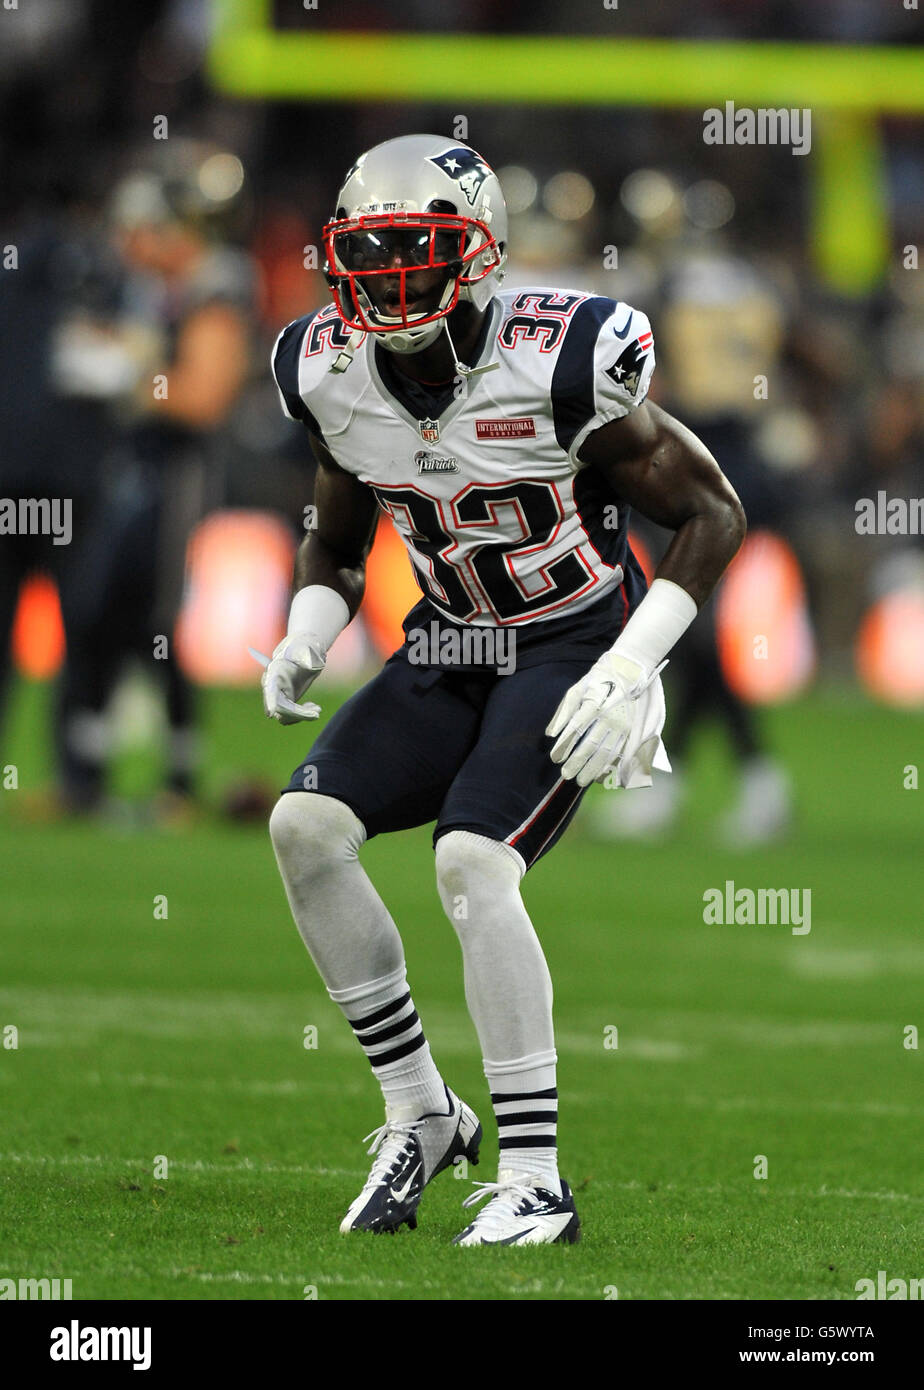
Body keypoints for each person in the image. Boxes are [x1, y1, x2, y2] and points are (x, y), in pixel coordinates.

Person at [262, 135, 745, 1246]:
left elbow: (713, 514)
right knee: (303, 826)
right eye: (367, 251)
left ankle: (536, 1176)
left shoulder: (563, 354)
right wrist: (305, 626)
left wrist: (634, 662)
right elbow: (336, 541)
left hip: (572, 641)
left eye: (414, 250)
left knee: (474, 861)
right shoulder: (324, 369)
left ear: (475, 256)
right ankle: (419, 1113)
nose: (386, 276)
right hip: (450, 641)